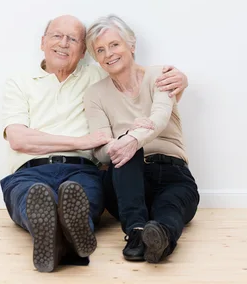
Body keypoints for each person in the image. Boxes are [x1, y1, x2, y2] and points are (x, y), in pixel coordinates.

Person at [0, 15, 189, 272]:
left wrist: (181, 79)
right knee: (29, 197)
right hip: (29, 170)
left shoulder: (98, 73)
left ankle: (67, 237)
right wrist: (82, 141)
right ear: (43, 42)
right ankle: (55, 238)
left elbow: (129, 68)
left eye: (73, 39)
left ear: (82, 51)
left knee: (82, 198)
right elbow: (18, 138)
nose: (64, 44)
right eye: (57, 36)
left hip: (82, 170)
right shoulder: (20, 82)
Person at [83, 15, 200, 264]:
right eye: (100, 50)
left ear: (131, 45)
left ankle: (162, 237)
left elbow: (159, 116)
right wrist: (125, 140)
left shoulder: (161, 75)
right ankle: (135, 232)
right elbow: (101, 151)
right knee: (125, 150)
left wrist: (135, 136)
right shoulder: (95, 94)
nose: (109, 54)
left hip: (172, 173)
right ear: (96, 58)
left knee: (170, 207)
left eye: (114, 45)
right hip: (125, 182)